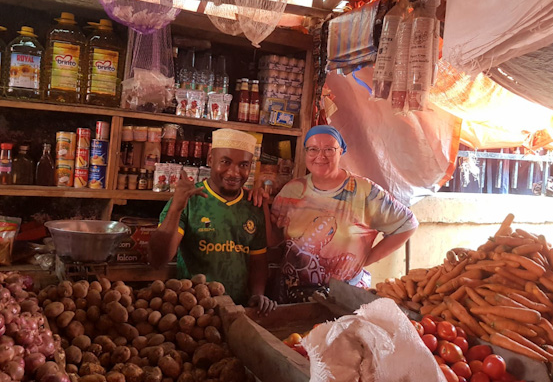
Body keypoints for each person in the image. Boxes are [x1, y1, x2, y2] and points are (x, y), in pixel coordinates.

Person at [252, 125, 418, 302]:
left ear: (341, 151)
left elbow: (407, 224)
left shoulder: (365, 191)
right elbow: (274, 241)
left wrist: (365, 259)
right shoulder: (291, 191)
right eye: (313, 149)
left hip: (344, 297)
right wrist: (260, 205)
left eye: (329, 149)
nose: (320, 156)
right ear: (305, 153)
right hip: (291, 295)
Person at [150, 128, 276, 314]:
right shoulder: (189, 200)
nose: (234, 172)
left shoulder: (253, 204)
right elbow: (157, 260)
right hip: (193, 312)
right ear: (210, 159)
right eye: (225, 162)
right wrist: (176, 208)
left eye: (243, 165)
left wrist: (258, 293)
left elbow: (258, 260)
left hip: (239, 310)